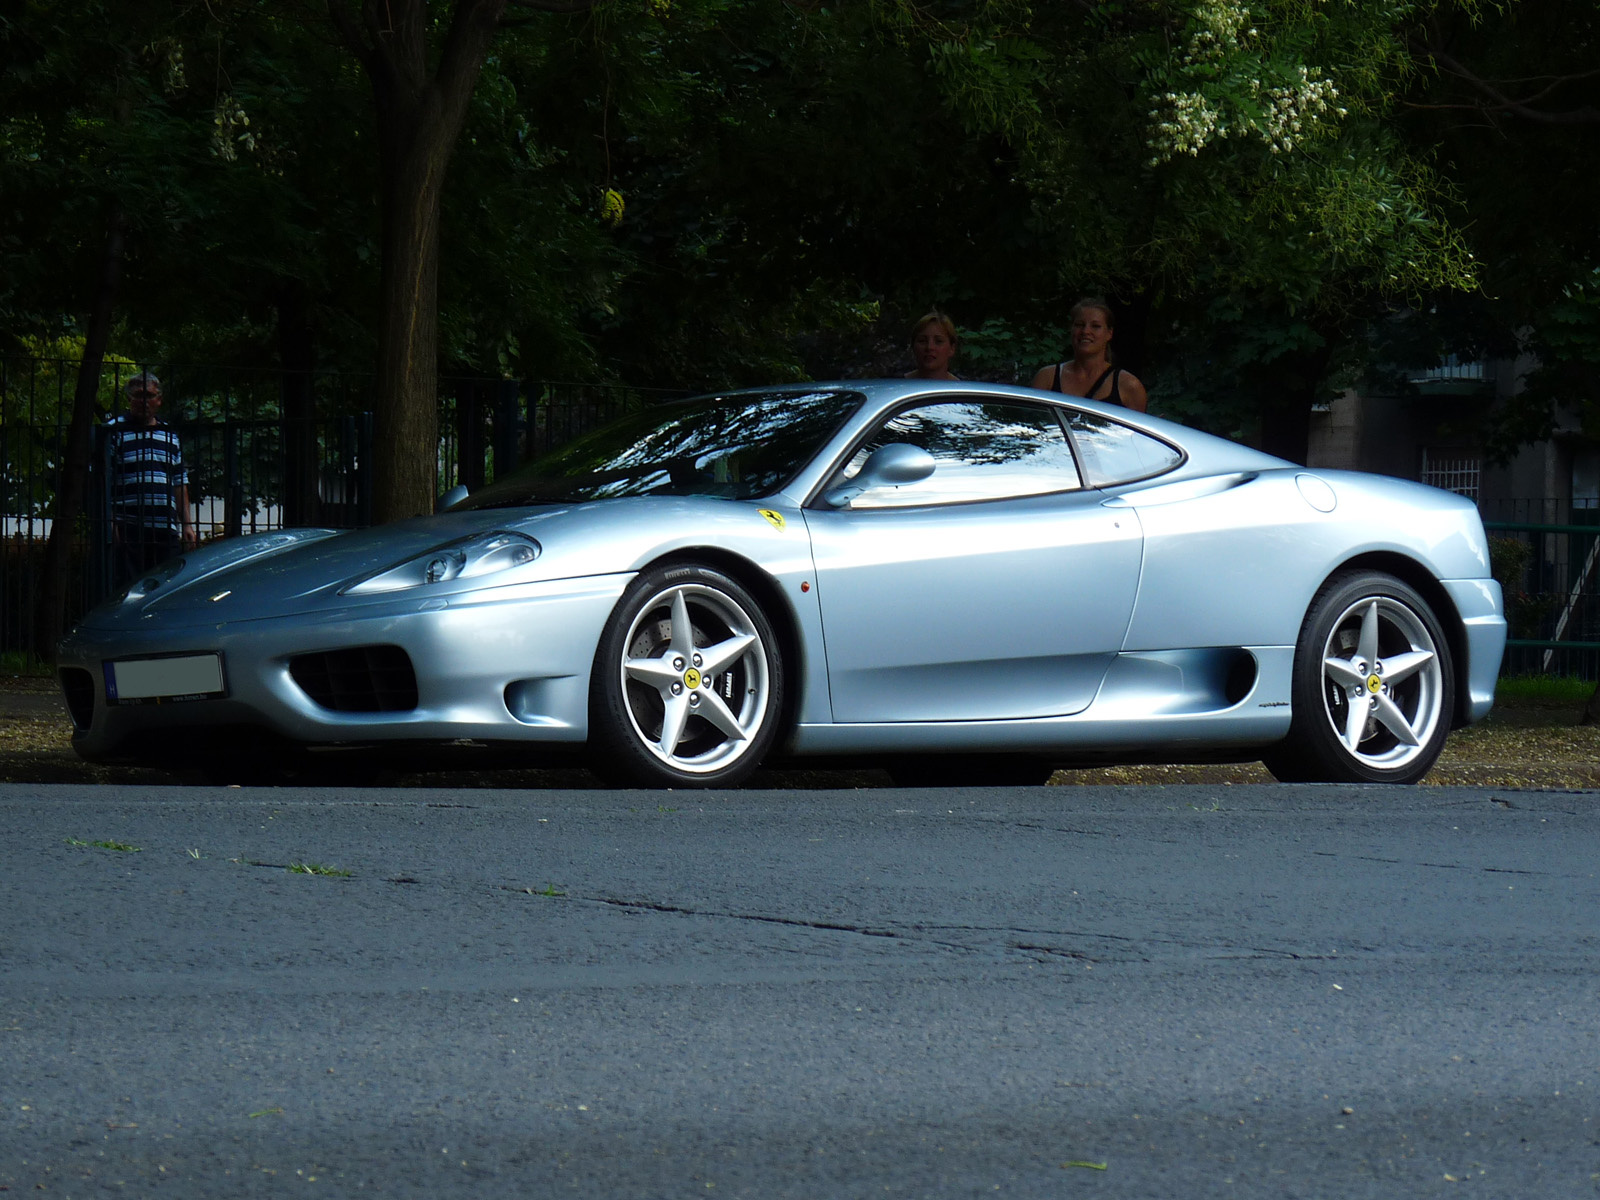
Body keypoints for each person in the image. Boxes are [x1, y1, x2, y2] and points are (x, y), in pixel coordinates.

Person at [105, 370, 195, 586]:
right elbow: (102, 481)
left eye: (148, 396)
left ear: (159, 400)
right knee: (129, 588)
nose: (143, 401)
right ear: (129, 399)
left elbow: (179, 482)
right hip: (129, 528)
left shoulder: (169, 435)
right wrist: (110, 522)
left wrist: (187, 525)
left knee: (166, 587)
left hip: (164, 528)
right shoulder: (113, 431)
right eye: (138, 395)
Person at [1030, 298, 1148, 413]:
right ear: (1071, 329)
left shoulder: (1129, 387)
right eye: (1080, 325)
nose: (1086, 331)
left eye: (1095, 326)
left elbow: (1138, 432)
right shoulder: (1046, 378)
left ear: (1109, 333)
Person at [905, 311, 961, 380]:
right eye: (922, 341)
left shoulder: (962, 389)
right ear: (913, 346)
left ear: (952, 348)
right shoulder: (897, 386)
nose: (929, 347)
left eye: (938, 341)